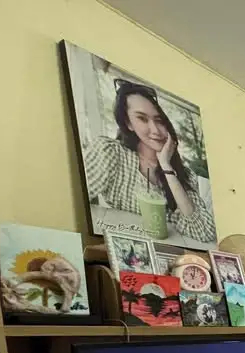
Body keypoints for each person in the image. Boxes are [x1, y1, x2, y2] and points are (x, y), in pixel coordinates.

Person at [83, 79, 216, 245]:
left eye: (159, 120)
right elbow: (74, 201)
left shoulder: (184, 175)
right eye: (142, 119)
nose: (155, 130)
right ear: (129, 123)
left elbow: (203, 232)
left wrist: (166, 166)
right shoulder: (111, 153)